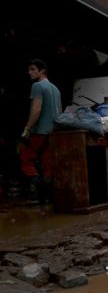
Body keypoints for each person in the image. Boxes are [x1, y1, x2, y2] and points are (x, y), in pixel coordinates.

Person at [19, 59, 62, 203]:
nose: (29, 72)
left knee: (26, 159)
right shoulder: (55, 89)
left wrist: (27, 128)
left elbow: (36, 109)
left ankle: (34, 193)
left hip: (39, 132)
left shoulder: (37, 86)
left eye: (32, 69)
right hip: (52, 132)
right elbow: (60, 112)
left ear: (42, 70)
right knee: (47, 164)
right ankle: (48, 196)